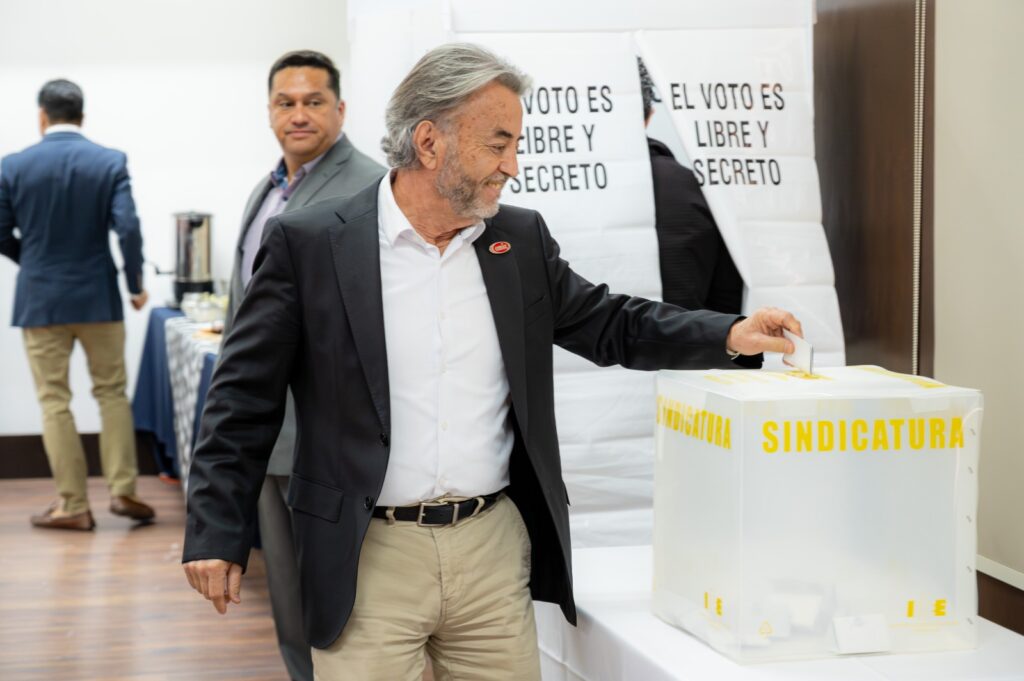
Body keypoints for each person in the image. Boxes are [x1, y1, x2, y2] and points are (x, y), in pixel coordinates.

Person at [182, 44, 801, 680]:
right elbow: (242, 399)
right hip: (365, 555)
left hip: (490, 551)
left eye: (515, 145)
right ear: (430, 142)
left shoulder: (519, 241)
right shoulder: (312, 244)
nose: (513, 165)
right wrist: (215, 531)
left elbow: (611, 322)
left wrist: (730, 333)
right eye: (497, 144)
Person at [224, 50, 384, 681]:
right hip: (269, 430)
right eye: (285, 103)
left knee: (340, 598)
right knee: (288, 596)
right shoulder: (268, 189)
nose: (299, 114)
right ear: (269, 112)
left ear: (339, 109)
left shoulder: (368, 187)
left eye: (313, 101)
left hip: (328, 435)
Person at [0, 79, 154, 531]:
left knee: (54, 400)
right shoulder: (109, 161)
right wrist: (135, 283)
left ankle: (72, 505)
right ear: (82, 116)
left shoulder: (13, 165)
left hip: (41, 300)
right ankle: (123, 490)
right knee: (111, 392)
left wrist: (33, 261)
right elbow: (128, 227)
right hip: (98, 296)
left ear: (41, 116)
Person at [638, 58, 745, 320]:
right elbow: (727, 301)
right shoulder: (702, 190)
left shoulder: (562, 191)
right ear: (649, 116)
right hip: (688, 339)